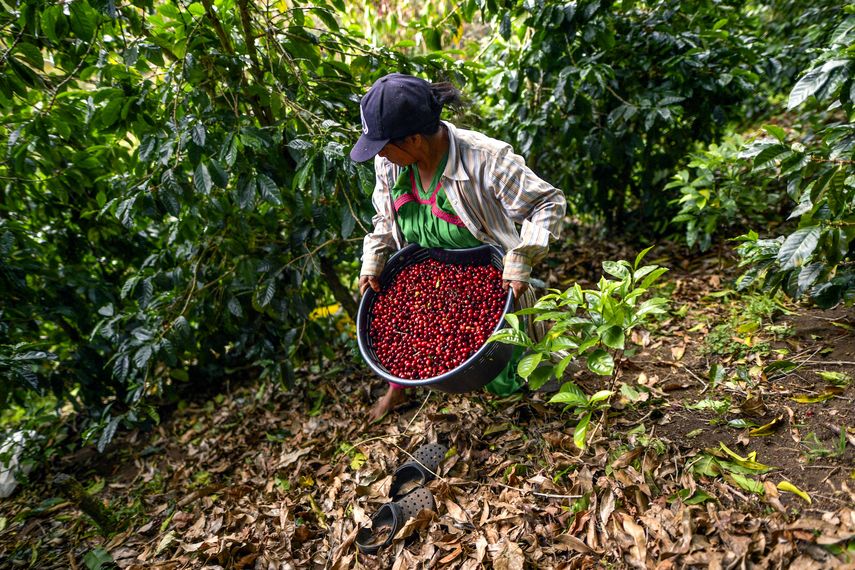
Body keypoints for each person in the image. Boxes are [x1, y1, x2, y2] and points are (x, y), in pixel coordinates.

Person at [351, 73, 566, 421]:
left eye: (384, 146)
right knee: (423, 344)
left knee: (520, 373)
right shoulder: (389, 164)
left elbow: (548, 203)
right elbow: (385, 217)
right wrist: (373, 259)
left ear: (414, 139)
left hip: (492, 283)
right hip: (428, 285)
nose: (381, 155)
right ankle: (401, 390)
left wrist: (522, 258)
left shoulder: (486, 159)